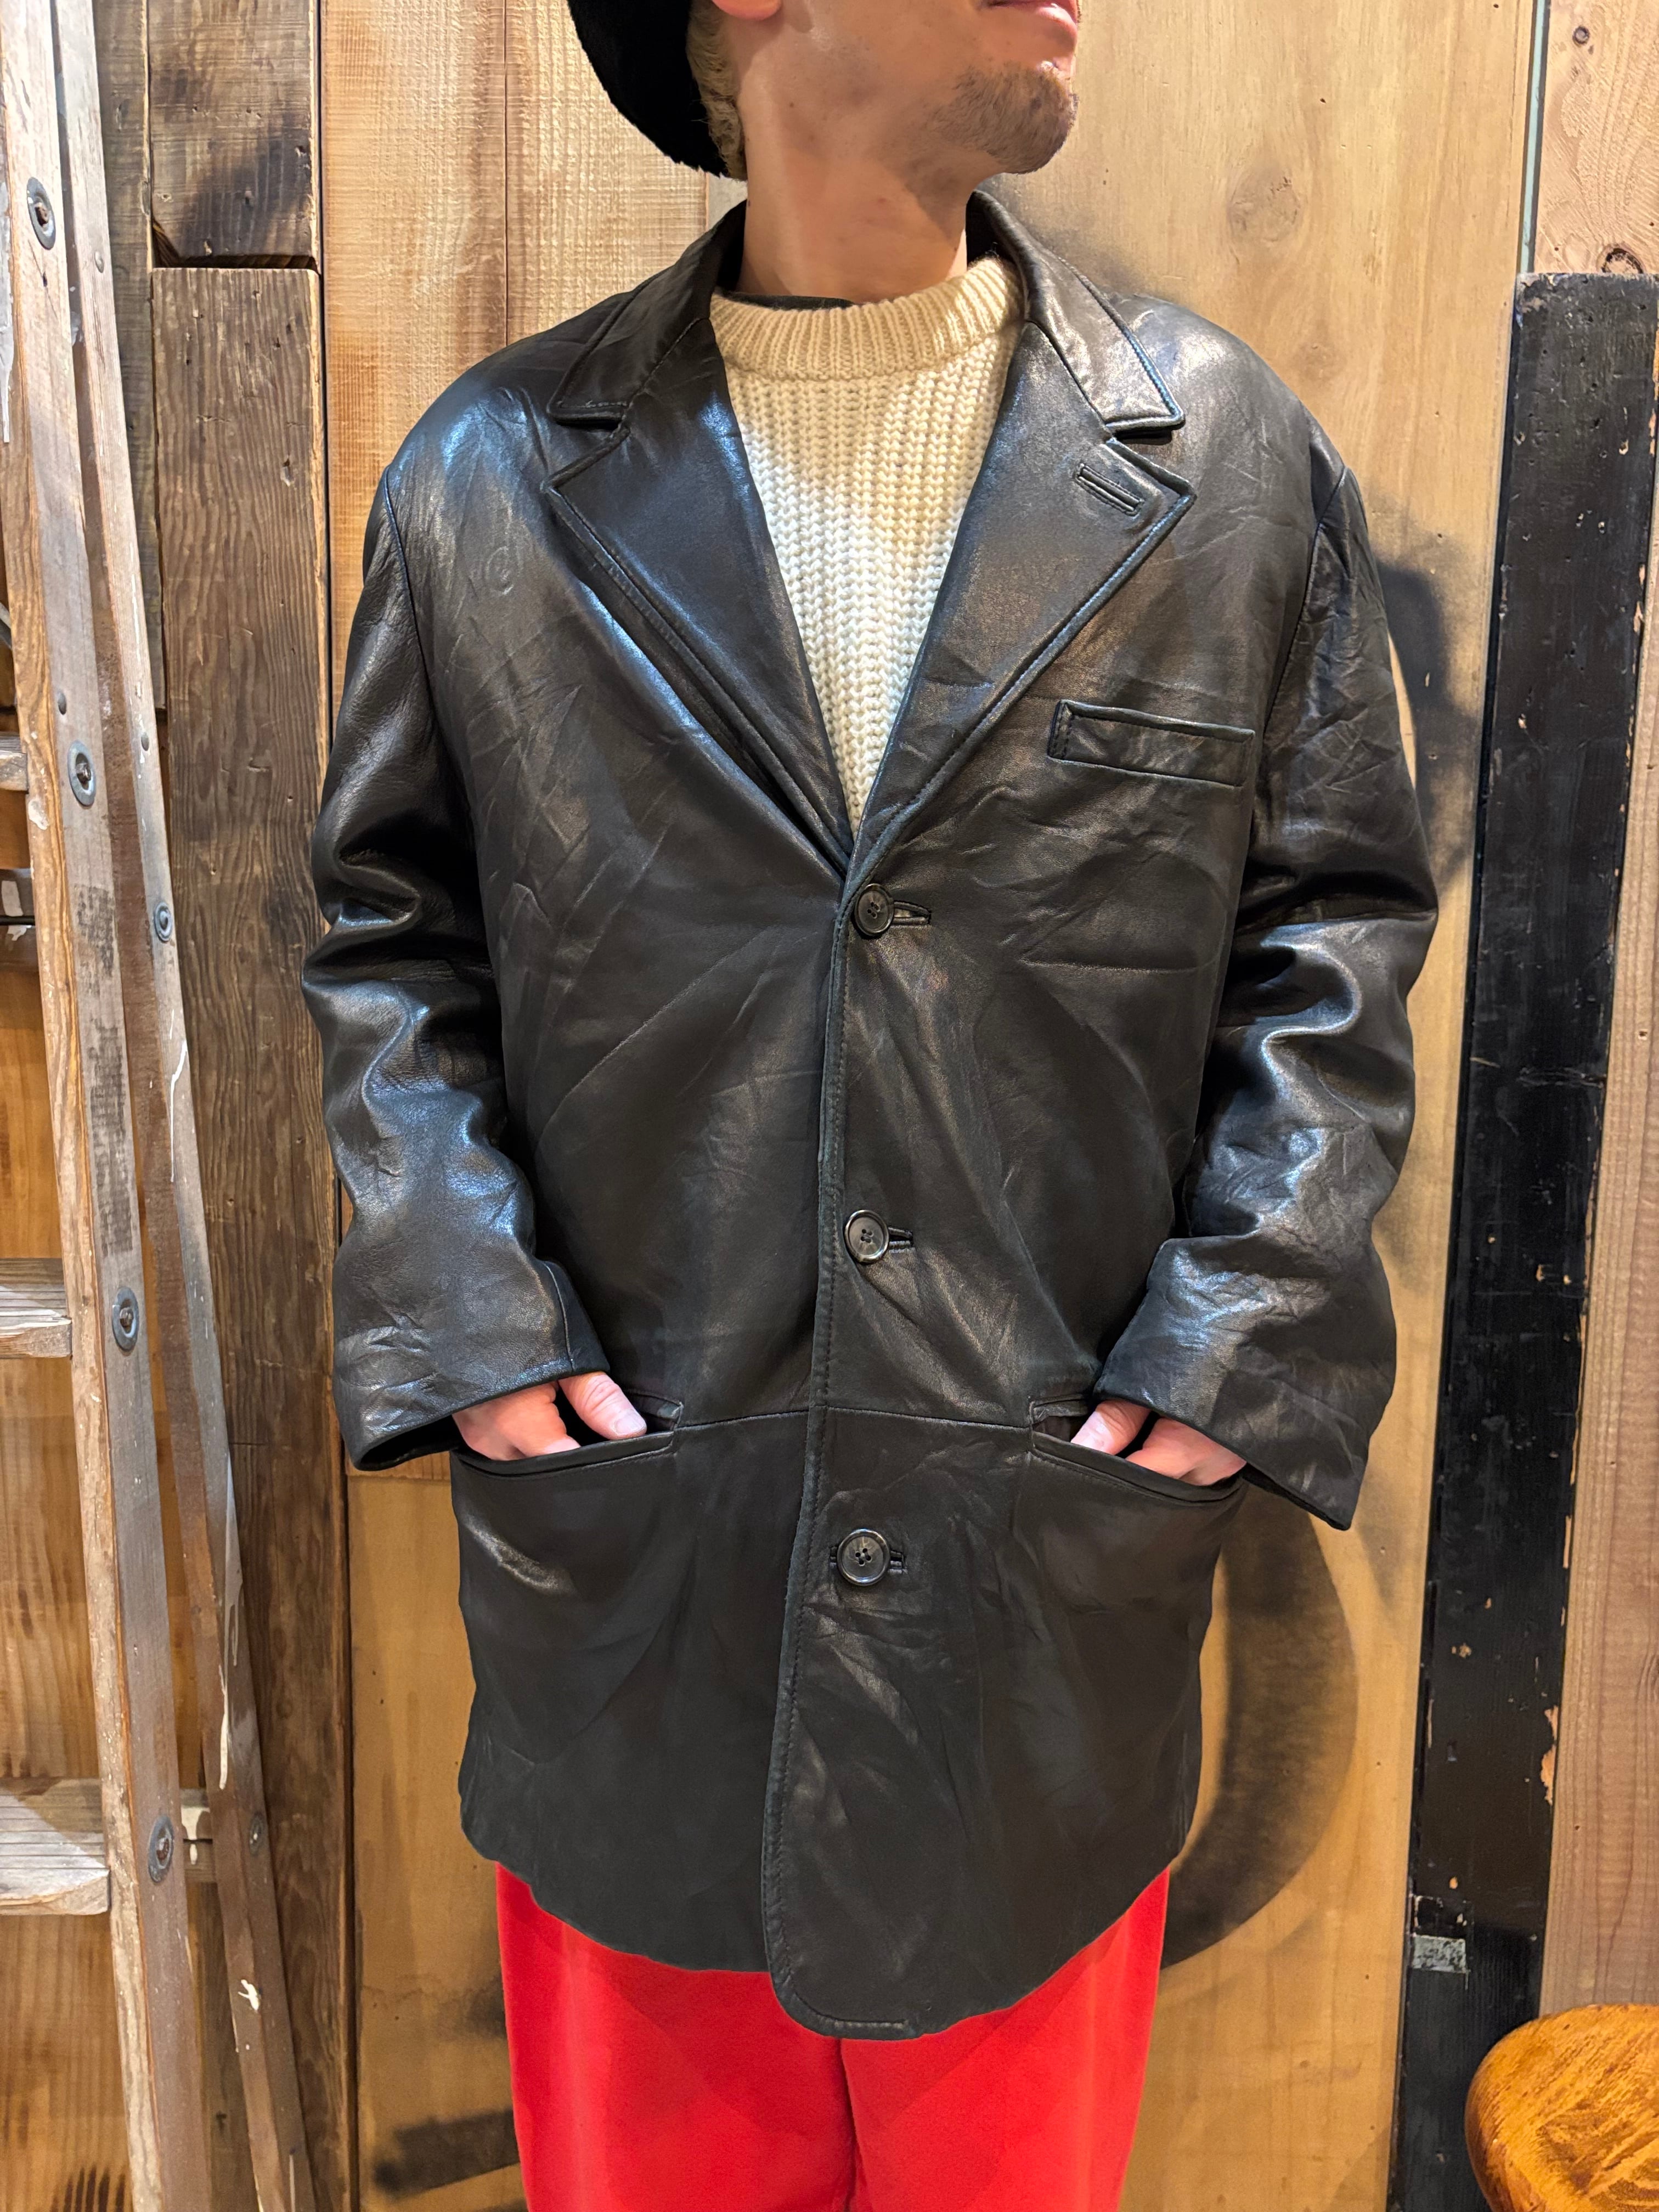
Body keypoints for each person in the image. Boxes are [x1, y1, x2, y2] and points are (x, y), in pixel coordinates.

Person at [303, 0, 1436, 2203]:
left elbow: (1333, 931)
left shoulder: (1220, 462)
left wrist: (1242, 1340)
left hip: (1042, 1583)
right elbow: (385, 932)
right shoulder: (489, 482)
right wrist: (467, 1310)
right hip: (650, 1563)